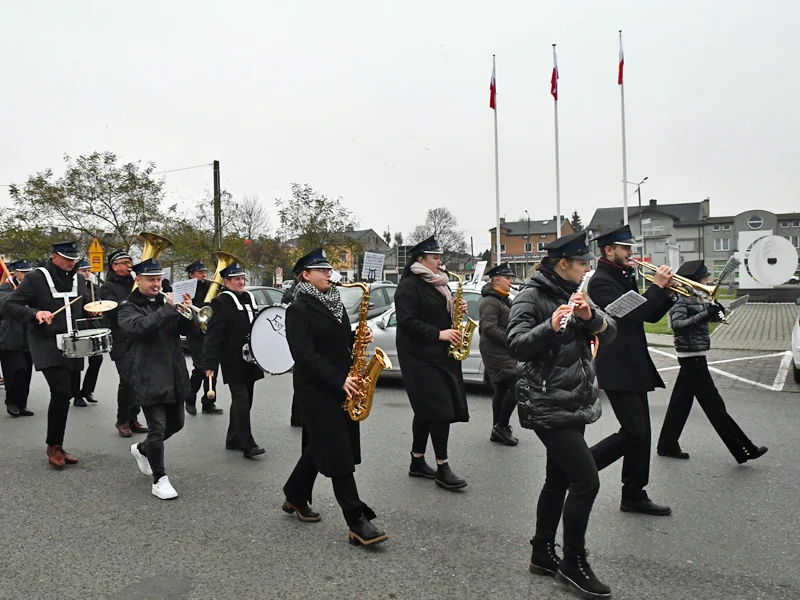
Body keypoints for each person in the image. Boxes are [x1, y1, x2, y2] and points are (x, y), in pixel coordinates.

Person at [507, 232, 617, 599]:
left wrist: (591, 317)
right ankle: (573, 563)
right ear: (563, 263)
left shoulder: (575, 294)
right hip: (545, 402)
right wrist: (550, 327)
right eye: (583, 262)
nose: (588, 268)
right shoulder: (531, 296)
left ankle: (542, 552)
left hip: (574, 402)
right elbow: (517, 345)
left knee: (557, 481)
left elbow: (610, 332)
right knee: (586, 481)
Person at [282, 248, 387, 547]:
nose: (330, 274)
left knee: (320, 446)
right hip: (317, 390)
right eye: (322, 270)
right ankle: (357, 521)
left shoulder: (335, 305)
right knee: (338, 451)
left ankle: (294, 495)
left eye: (329, 270)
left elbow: (335, 343)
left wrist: (357, 338)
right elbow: (305, 355)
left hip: (344, 384)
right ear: (305, 275)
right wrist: (338, 379)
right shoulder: (297, 309)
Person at [587, 225, 675, 516]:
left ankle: (634, 494)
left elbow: (648, 315)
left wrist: (668, 294)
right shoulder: (601, 281)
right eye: (626, 249)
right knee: (634, 432)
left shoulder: (623, 276)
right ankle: (581, 465)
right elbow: (632, 312)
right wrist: (656, 287)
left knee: (643, 434)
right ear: (609, 250)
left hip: (634, 364)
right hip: (617, 365)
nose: (631, 253)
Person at [656, 260, 768, 464]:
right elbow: (679, 326)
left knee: (680, 404)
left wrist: (716, 313)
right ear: (696, 279)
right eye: (705, 277)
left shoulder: (697, 296)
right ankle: (744, 449)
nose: (708, 281)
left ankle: (666, 445)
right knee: (715, 406)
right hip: (691, 356)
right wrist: (704, 314)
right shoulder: (681, 299)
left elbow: (704, 320)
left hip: (696, 354)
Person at [2, 241, 89, 468]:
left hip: (73, 342)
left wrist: (93, 311)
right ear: (54, 257)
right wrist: (35, 312)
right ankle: (53, 446)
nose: (71, 263)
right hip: (45, 342)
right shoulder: (36, 278)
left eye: (73, 259)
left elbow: (84, 306)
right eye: (67, 258)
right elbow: (9, 306)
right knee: (60, 390)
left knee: (68, 393)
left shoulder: (79, 279)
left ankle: (58, 443)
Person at [395, 236, 469, 490]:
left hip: (440, 354)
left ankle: (417, 461)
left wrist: (456, 310)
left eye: (439, 257)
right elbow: (407, 322)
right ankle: (442, 467)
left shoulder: (439, 284)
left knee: (426, 410)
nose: (441, 261)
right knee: (439, 410)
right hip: (418, 357)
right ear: (420, 260)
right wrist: (439, 334)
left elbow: (435, 312)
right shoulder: (408, 286)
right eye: (435, 257)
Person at [120, 258, 194, 500]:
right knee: (158, 427)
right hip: (147, 374)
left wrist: (187, 313)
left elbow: (186, 332)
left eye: (158, 279)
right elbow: (139, 328)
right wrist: (168, 310)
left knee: (177, 424)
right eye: (150, 279)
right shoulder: (128, 306)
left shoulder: (165, 302)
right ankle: (159, 478)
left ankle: (142, 450)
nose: (155, 283)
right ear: (137, 280)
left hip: (173, 372)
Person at [202, 261, 265, 458]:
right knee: (241, 399)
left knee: (247, 400)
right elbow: (213, 335)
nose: (241, 282)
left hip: (251, 358)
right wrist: (210, 363)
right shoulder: (220, 303)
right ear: (226, 282)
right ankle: (247, 443)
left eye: (242, 278)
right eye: (236, 279)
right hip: (232, 359)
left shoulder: (248, 298)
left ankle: (233, 438)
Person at [99, 249, 148, 437]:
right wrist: (133, 298)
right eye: (124, 263)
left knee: (140, 379)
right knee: (127, 380)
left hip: (139, 335)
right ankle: (122, 420)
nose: (129, 266)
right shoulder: (107, 287)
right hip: (120, 338)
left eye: (130, 262)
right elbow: (111, 310)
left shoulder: (136, 282)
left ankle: (134, 417)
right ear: (115, 266)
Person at [479, 262, 519, 446]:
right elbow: (488, 327)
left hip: (503, 349)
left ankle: (498, 427)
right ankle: (501, 426)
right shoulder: (490, 301)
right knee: (517, 384)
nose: (511, 281)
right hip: (495, 351)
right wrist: (510, 339)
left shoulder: (503, 299)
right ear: (496, 280)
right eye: (507, 278)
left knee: (502, 389)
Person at [185, 260, 222, 416]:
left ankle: (208, 402)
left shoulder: (210, 287)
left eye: (204, 272)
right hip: (194, 332)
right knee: (200, 368)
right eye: (200, 272)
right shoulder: (187, 289)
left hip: (210, 331)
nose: (204, 275)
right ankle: (190, 398)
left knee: (212, 368)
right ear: (191, 274)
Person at [0, 260, 34, 418]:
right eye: (24, 273)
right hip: (10, 337)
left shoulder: (31, 288)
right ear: (15, 273)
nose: (27, 276)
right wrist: (17, 296)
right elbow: (5, 307)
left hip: (29, 337)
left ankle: (22, 404)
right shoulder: (5, 288)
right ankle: (11, 402)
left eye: (29, 273)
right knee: (14, 371)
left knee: (26, 372)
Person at [70, 259, 102, 407]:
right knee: (78, 362)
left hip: (92, 325)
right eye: (84, 271)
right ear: (76, 272)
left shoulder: (93, 287)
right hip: (79, 325)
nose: (87, 273)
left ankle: (87, 390)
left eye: (88, 270)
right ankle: (76, 394)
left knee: (97, 359)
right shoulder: (73, 288)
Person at [281, 277, 303, 427]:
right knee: (300, 381)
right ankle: (297, 417)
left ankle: (297, 417)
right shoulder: (296, 291)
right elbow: (286, 301)